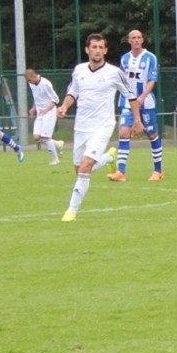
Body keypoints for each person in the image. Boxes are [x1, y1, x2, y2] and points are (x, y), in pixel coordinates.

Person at [57, 33, 142, 222]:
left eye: (100, 47)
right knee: (80, 169)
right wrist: (64, 106)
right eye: (94, 47)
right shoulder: (79, 70)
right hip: (81, 126)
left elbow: (131, 95)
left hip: (103, 125)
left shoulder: (114, 72)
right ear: (87, 50)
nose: (97, 51)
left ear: (105, 50)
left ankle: (71, 211)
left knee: (85, 166)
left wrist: (137, 120)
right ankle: (109, 157)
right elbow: (73, 92)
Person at [107, 29, 164, 182]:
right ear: (129, 40)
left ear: (142, 40)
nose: (136, 40)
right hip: (127, 102)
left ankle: (158, 170)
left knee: (152, 134)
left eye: (139, 37)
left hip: (146, 103)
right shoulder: (125, 58)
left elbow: (152, 80)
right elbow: (121, 80)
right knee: (124, 132)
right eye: (133, 38)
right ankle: (121, 172)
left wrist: (141, 98)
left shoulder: (150, 57)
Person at [26, 68, 64, 166]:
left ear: (33, 76)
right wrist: (33, 108)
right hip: (40, 113)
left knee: (46, 137)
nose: (29, 82)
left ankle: (55, 159)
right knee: (37, 137)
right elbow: (36, 97)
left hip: (50, 112)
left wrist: (46, 110)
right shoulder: (31, 84)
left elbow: (56, 99)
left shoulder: (46, 84)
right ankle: (57, 144)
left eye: (29, 80)